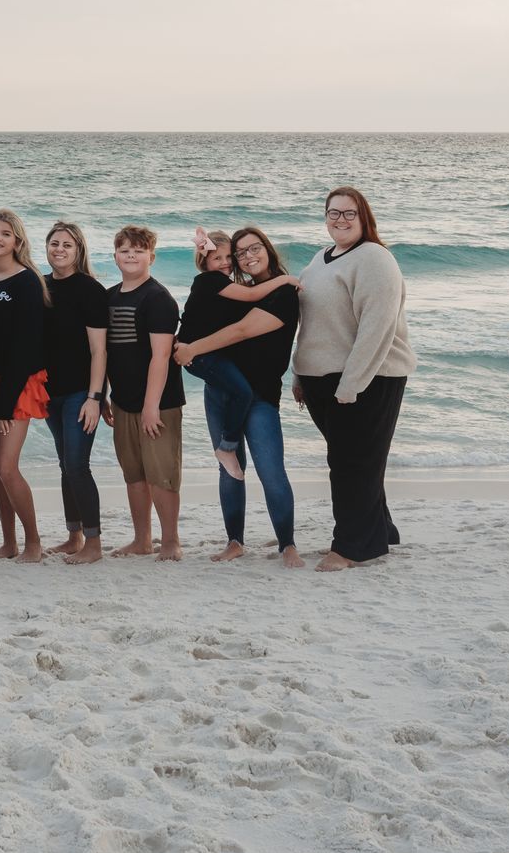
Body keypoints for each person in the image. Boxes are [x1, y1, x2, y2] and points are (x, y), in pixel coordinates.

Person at [293, 187, 417, 571]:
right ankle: (380, 530)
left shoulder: (375, 259)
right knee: (357, 461)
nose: (340, 220)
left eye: (349, 213)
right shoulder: (320, 259)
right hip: (321, 380)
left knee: (350, 464)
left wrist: (352, 384)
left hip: (367, 379)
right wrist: (298, 372)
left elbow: (376, 328)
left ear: (364, 217)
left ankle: (351, 547)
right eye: (333, 213)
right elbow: (310, 323)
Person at [172, 226, 304, 568]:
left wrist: (190, 349)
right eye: (240, 252)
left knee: (271, 470)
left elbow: (241, 331)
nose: (246, 257)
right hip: (222, 391)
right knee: (230, 468)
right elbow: (204, 318)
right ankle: (235, 541)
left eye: (252, 249)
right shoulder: (237, 289)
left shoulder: (283, 293)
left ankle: (287, 544)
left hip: (259, 394)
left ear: (268, 248)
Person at [176, 227, 298, 480]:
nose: (224, 263)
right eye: (217, 258)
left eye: (229, 257)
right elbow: (253, 295)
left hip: (203, 354)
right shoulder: (210, 280)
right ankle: (227, 447)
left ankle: (228, 449)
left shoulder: (223, 287)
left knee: (239, 391)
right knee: (243, 392)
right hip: (199, 355)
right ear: (205, 261)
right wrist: (285, 280)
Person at [103, 224, 186, 561]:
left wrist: (151, 406)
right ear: (115, 256)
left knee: (161, 474)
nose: (131, 255)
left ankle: (170, 542)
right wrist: (106, 395)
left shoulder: (158, 298)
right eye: (125, 250)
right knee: (134, 473)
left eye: (139, 250)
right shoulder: (109, 297)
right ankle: (142, 539)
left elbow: (161, 356)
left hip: (159, 404)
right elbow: (106, 353)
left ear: (151, 256)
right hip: (123, 402)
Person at [0, 209, 49, 563]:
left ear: (17, 241)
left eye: (5, 233)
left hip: (18, 383)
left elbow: (26, 347)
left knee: (7, 465)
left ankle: (33, 542)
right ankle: (9, 542)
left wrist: (4, 403)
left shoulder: (28, 282)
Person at [41, 221, 108, 564]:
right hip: (50, 394)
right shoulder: (42, 286)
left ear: (79, 250)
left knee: (78, 465)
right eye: (54, 243)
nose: (60, 249)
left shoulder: (90, 290)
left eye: (67, 244)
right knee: (65, 464)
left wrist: (95, 398)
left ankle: (93, 545)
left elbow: (99, 350)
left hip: (81, 393)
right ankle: (74, 536)